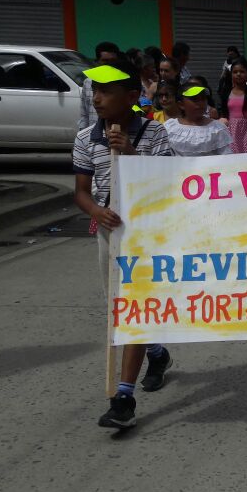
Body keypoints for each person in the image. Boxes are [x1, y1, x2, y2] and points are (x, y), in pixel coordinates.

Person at [72, 61, 173, 429]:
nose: (96, 98)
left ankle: (124, 397)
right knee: (118, 309)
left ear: (131, 97)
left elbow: (169, 182)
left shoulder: (154, 132)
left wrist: (131, 153)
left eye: (106, 91)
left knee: (136, 306)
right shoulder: (86, 138)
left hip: (147, 231)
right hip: (110, 232)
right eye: (94, 91)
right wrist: (96, 210)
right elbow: (81, 192)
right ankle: (156, 352)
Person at [164, 83, 233, 156]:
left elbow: (226, 156)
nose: (201, 103)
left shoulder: (217, 128)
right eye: (195, 99)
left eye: (203, 98)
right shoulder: (169, 127)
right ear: (181, 104)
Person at [218, 57, 247, 153]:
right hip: (231, 133)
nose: (238, 74)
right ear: (231, 74)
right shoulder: (226, 92)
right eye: (235, 72)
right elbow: (223, 115)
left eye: (242, 71)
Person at [79, 42, 121, 130]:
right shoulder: (88, 82)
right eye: (105, 61)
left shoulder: (124, 82)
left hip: (117, 133)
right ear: (97, 62)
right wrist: (82, 132)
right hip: (93, 133)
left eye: (113, 61)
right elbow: (84, 114)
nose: (109, 65)